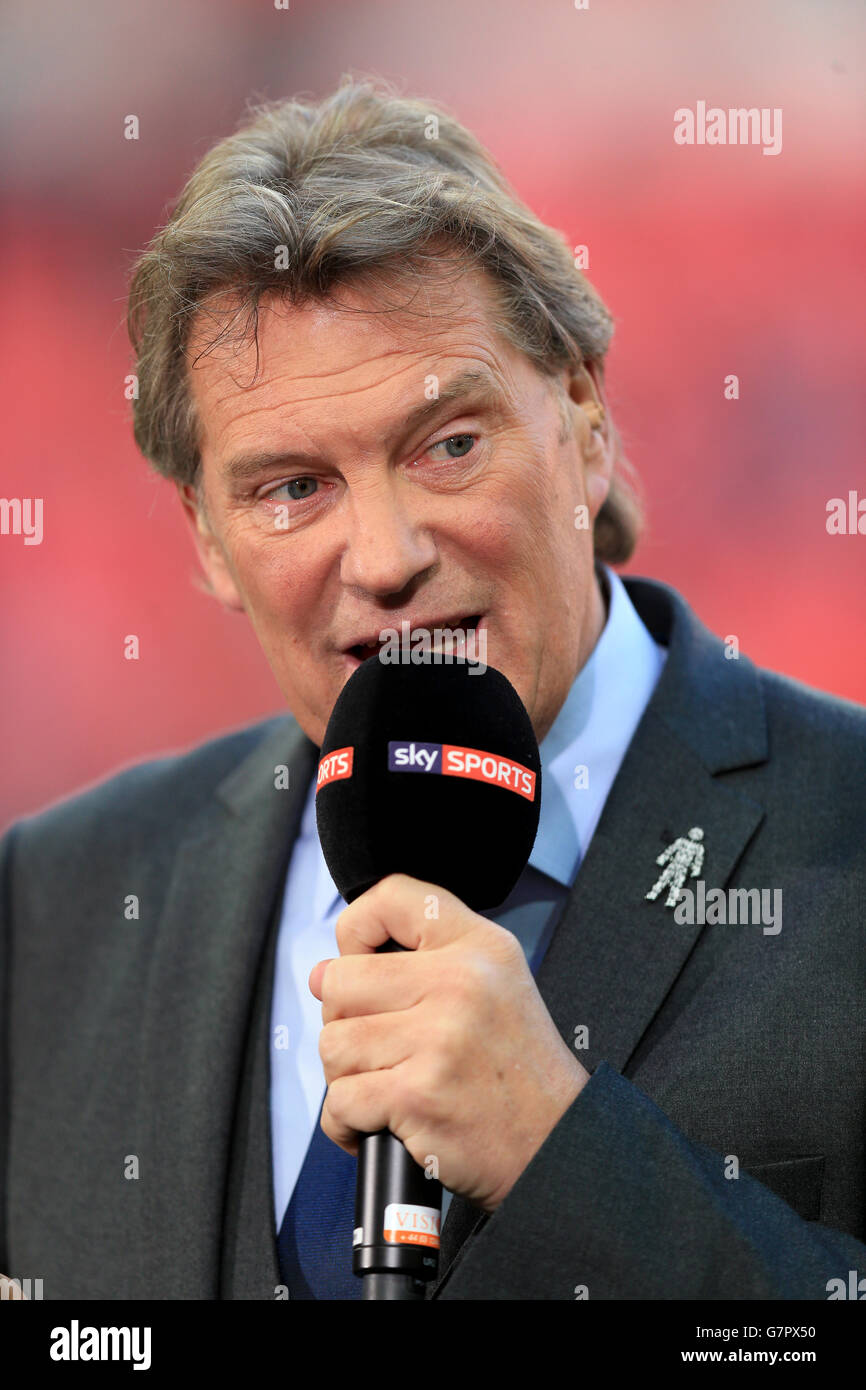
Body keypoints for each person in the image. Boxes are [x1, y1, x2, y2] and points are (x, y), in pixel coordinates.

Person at [1, 76, 864, 1301]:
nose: (387, 554)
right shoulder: (55, 907)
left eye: (447, 445)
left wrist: (567, 1160)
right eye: (291, 486)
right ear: (203, 536)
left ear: (583, 415)